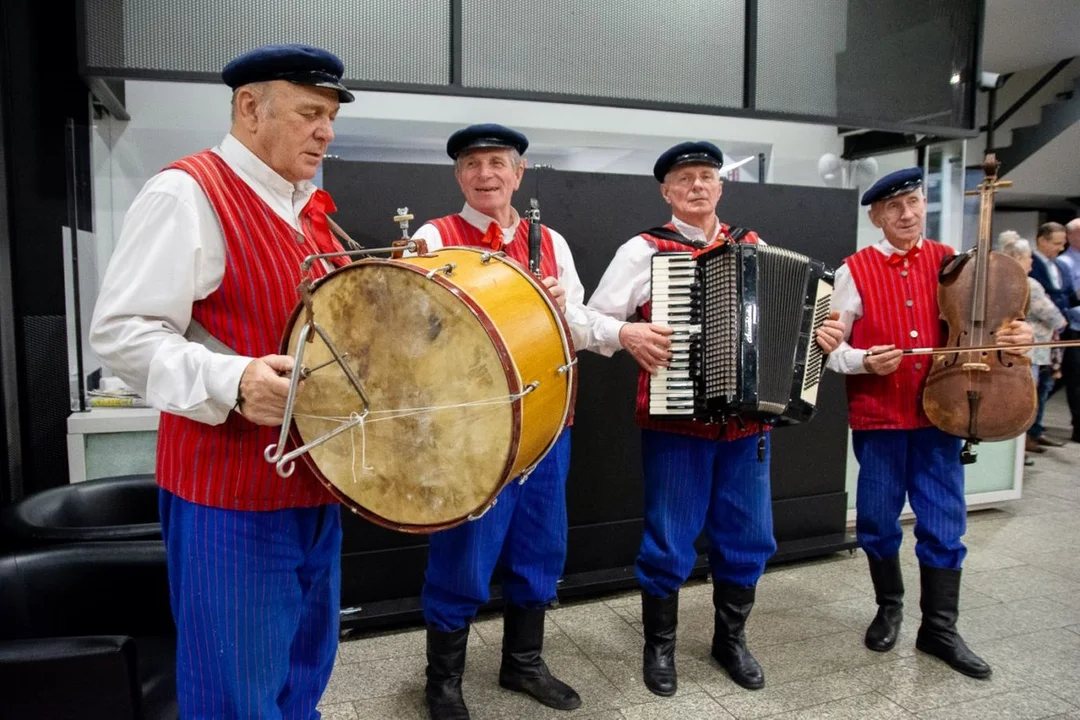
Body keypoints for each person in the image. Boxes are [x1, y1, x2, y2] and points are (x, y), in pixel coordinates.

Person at [90, 44, 354, 718]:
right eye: (309, 113)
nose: (325, 130)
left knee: (302, 677)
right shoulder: (187, 193)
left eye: (330, 116)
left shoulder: (310, 212)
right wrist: (234, 380)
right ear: (249, 108)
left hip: (315, 488)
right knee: (235, 697)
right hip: (229, 498)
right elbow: (122, 333)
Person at [585, 141, 845, 696]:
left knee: (749, 536)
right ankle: (659, 647)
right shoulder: (644, 250)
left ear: (720, 186)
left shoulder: (754, 245)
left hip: (747, 427)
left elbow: (795, 325)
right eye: (685, 179)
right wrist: (627, 333)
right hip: (677, 421)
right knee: (669, 539)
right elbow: (594, 320)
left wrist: (821, 336)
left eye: (707, 176)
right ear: (667, 191)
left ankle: (730, 640)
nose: (697, 185)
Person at [410, 123, 603, 719]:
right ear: (458, 176)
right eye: (472, 163)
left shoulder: (552, 242)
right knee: (463, 553)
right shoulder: (432, 236)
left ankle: (523, 662)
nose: (485, 173)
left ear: (519, 173)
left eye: (498, 162)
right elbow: (409, 335)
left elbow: (577, 324)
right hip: (469, 432)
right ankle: (442, 681)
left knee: (540, 547)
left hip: (548, 426)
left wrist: (568, 308)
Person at [826, 167, 1033, 679]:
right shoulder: (853, 270)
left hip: (945, 412)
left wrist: (1017, 337)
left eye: (914, 202)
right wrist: (861, 362)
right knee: (876, 520)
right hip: (879, 416)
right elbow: (829, 349)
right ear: (876, 216)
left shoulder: (956, 265)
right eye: (894, 207)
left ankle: (939, 628)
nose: (907, 213)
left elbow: (995, 326)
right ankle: (889, 607)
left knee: (944, 523)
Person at [998, 236, 1067, 456]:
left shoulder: (1001, 281)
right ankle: (1021, 448)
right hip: (1032, 350)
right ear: (1018, 257)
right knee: (1030, 399)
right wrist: (1063, 322)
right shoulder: (1029, 284)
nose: (1031, 262)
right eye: (1029, 257)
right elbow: (1053, 316)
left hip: (1011, 350)